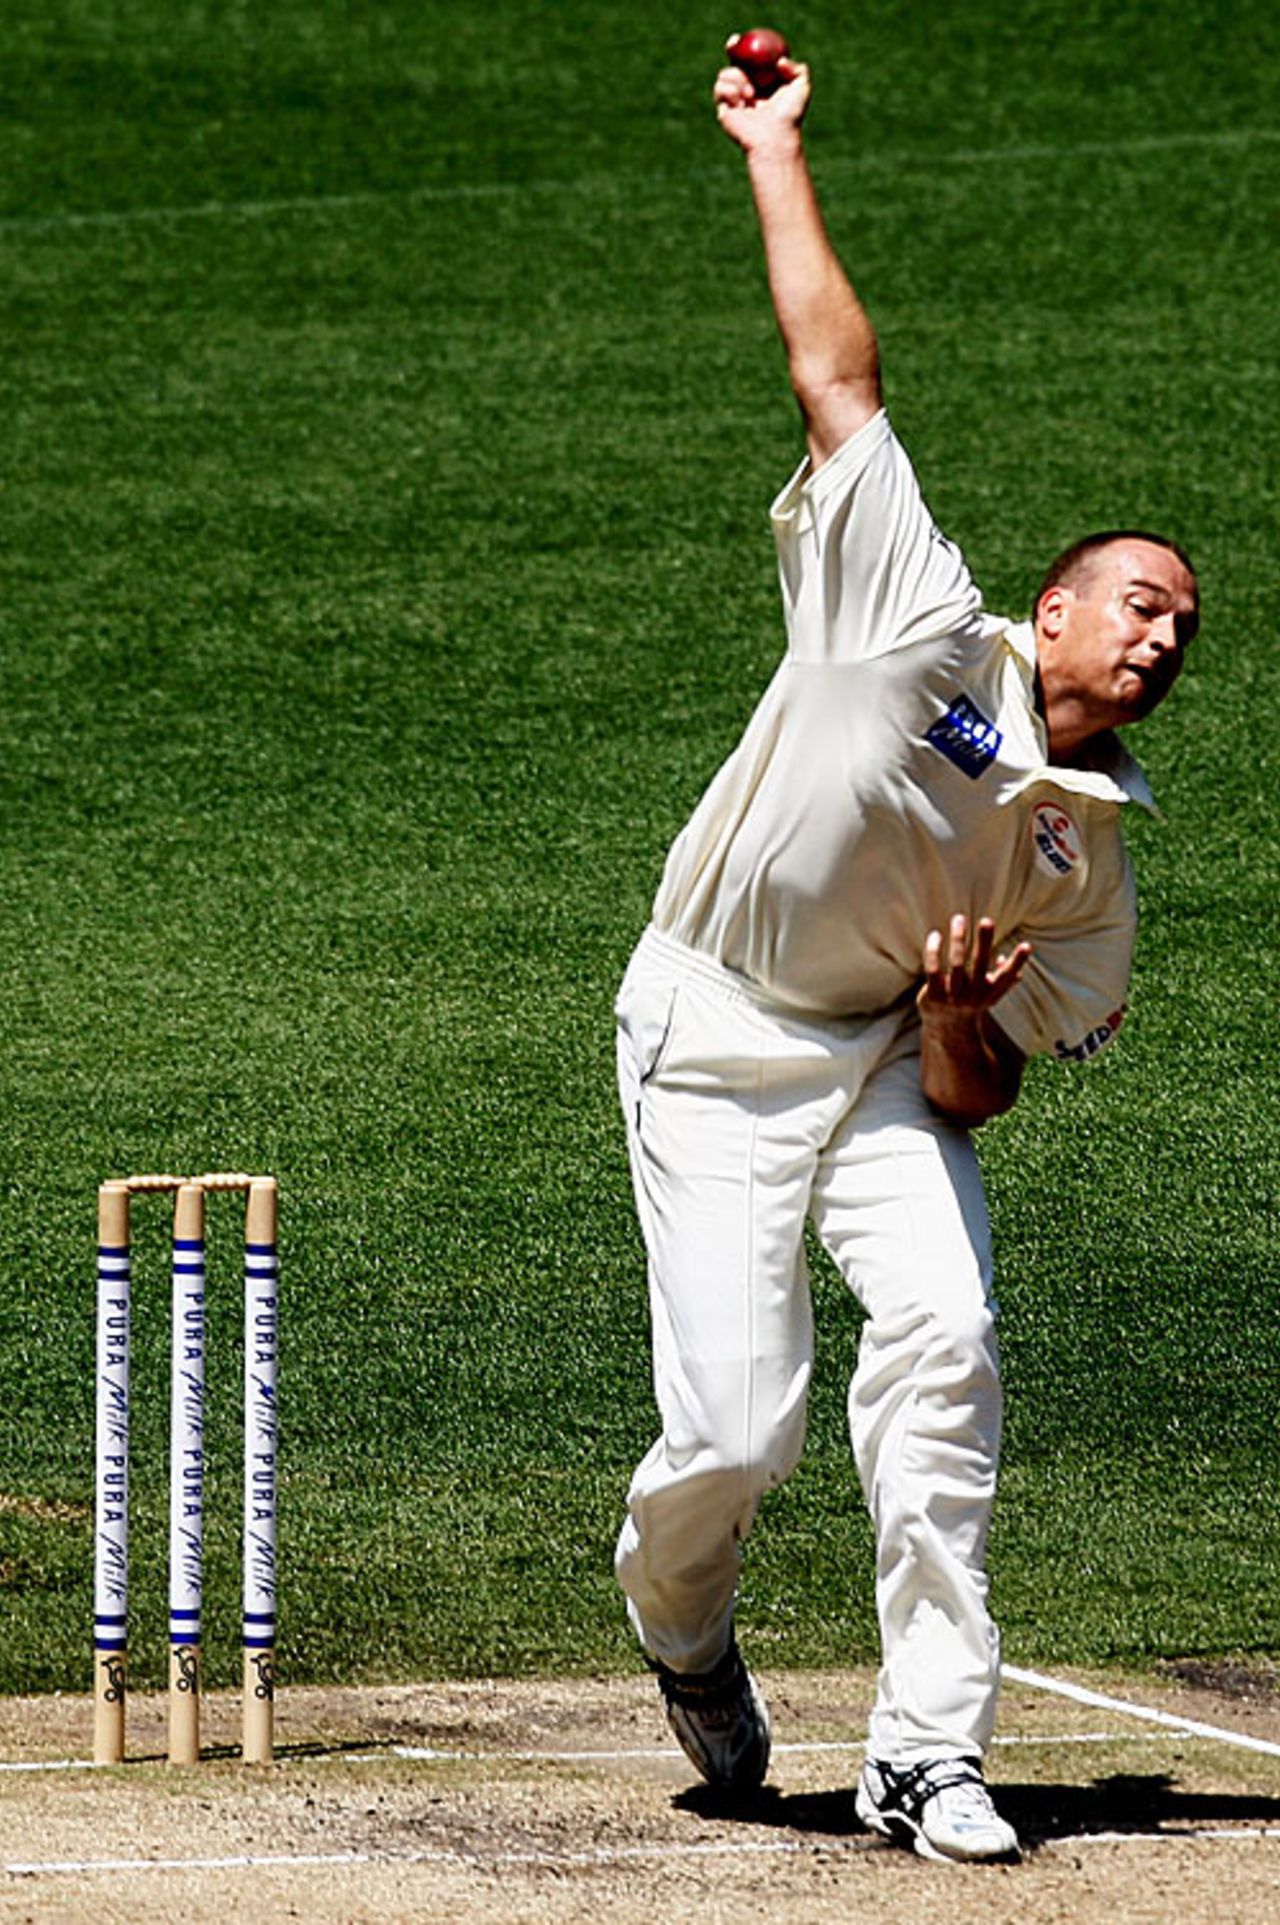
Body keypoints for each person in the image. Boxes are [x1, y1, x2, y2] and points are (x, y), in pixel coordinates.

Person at [611, 43, 1199, 1866]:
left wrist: (953, 1019)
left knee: (947, 1329)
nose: (1167, 632)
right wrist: (776, 148)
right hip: (712, 1021)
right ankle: (684, 1627)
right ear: (1051, 607)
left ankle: (926, 1744)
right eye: (1141, 598)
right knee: (739, 1428)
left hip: (880, 1053)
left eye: (1192, 621)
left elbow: (986, 1085)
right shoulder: (909, 618)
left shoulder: (1088, 862)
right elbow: (834, 373)